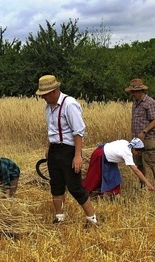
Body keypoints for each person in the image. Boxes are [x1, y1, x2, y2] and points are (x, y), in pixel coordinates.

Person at [35, 74, 98, 228]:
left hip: (69, 150)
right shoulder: (48, 107)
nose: (42, 98)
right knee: (56, 185)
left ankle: (92, 220)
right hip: (55, 149)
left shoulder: (69, 104)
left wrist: (77, 155)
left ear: (53, 91)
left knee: (75, 187)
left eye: (44, 95)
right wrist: (49, 148)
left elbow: (78, 132)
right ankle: (60, 218)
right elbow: (53, 129)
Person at [125, 78, 155, 191]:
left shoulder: (149, 102)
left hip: (147, 138)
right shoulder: (135, 103)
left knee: (153, 163)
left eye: (134, 92)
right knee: (138, 164)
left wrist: (144, 131)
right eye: (131, 92)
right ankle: (142, 185)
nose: (132, 94)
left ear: (140, 91)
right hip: (136, 139)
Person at [82, 138, 155, 197]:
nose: (138, 155)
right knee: (94, 178)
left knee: (114, 176)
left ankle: (111, 194)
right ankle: (83, 194)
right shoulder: (127, 153)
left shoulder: (126, 143)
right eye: (138, 153)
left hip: (108, 158)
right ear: (134, 149)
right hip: (100, 155)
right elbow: (136, 170)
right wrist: (147, 183)